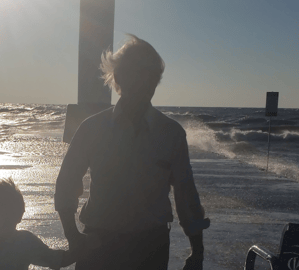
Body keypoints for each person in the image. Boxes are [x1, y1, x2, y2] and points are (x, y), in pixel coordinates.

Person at [54, 34, 210, 270]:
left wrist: (197, 252)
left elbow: (186, 195)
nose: (144, 81)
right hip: (97, 245)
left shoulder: (171, 134)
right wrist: (72, 235)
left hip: (151, 248)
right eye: (136, 73)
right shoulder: (92, 128)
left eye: (151, 75)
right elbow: (66, 183)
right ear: (118, 77)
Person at [0, 177, 75, 270]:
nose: (5, 221)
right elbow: (57, 260)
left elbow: (56, 259)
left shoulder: (25, 242)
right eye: (1, 213)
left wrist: (86, 246)